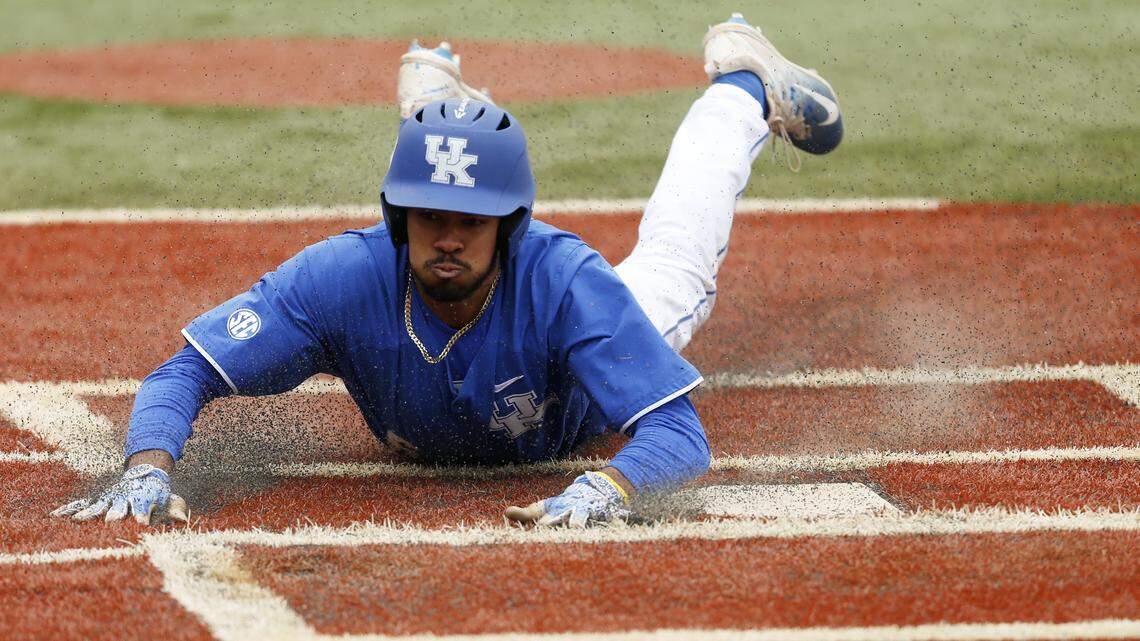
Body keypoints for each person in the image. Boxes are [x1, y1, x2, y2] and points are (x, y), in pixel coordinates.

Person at [52, 13, 842, 528]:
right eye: (430, 216)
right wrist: (147, 466)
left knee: (677, 266)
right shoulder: (340, 277)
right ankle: (448, 120)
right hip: (457, 305)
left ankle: (742, 83)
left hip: (576, 353)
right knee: (450, 189)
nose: (450, 238)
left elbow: (678, 431)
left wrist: (614, 487)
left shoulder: (566, 283)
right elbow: (185, 370)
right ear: (398, 219)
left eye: (473, 221)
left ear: (511, 227)